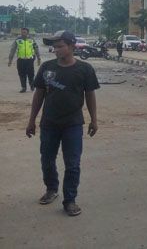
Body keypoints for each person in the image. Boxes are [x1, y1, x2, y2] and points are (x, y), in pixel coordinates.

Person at [26, 30, 99, 217]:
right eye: (54, 46)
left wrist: (94, 120)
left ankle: (70, 200)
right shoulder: (47, 67)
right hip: (49, 123)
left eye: (60, 46)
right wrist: (32, 120)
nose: (55, 49)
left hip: (73, 124)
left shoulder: (85, 69)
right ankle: (52, 188)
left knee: (72, 164)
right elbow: (39, 94)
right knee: (47, 159)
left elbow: (90, 95)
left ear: (72, 46)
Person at [8, 27, 41, 92]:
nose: (23, 34)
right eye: (22, 32)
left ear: (27, 33)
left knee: (31, 74)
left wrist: (38, 58)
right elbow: (13, 50)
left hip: (30, 60)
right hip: (20, 60)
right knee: (21, 74)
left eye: (24, 32)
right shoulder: (18, 40)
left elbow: (36, 48)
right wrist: (10, 60)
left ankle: (32, 86)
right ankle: (23, 87)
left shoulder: (31, 40)